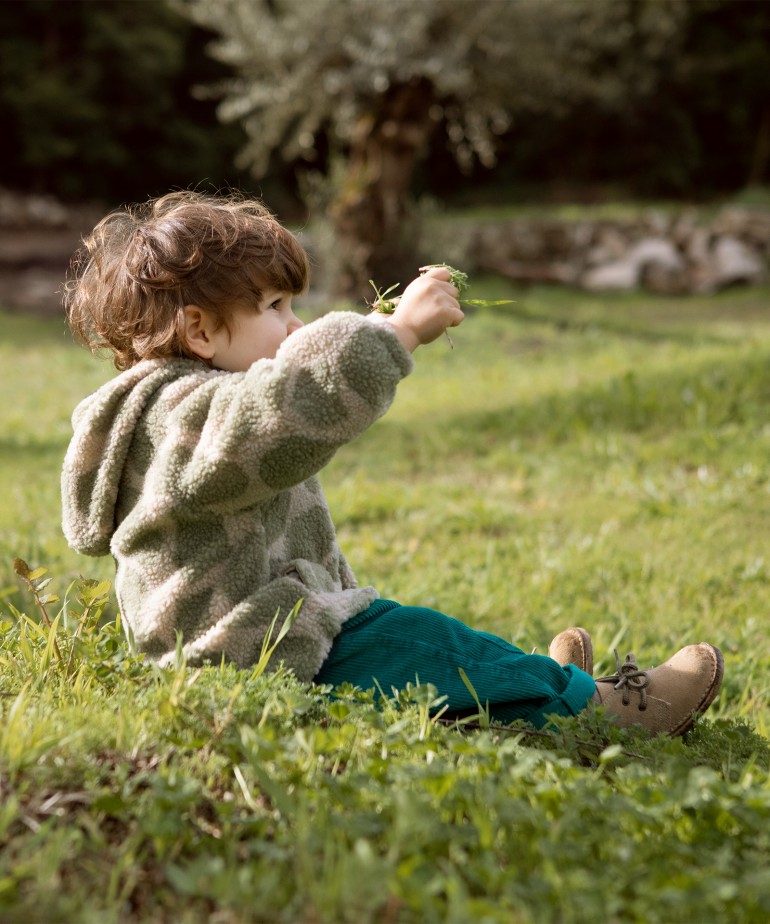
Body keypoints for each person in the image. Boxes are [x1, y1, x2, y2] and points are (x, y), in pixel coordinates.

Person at [61, 190, 723, 737]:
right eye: (272, 307)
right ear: (200, 329)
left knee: (422, 653)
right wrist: (397, 332)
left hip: (278, 634)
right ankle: (611, 711)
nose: (295, 327)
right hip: (250, 655)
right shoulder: (185, 416)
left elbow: (287, 387)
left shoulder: (185, 404)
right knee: (428, 643)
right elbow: (291, 404)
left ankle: (535, 688)